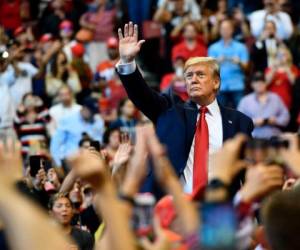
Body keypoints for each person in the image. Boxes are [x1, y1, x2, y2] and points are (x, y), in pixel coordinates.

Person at [116, 22, 253, 196]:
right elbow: (142, 95)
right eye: (189, 76)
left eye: (200, 75)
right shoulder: (170, 109)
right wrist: (127, 62)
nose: (193, 80)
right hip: (173, 208)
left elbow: (246, 173)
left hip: (218, 209)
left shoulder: (240, 122)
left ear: (216, 82)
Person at [208, 18, 249, 108]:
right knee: (220, 115)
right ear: (219, 30)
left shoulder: (241, 47)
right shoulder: (213, 48)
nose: (225, 31)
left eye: (227, 29)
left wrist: (239, 62)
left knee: (240, 114)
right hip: (220, 86)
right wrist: (217, 62)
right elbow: (208, 69)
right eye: (223, 29)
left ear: (232, 30)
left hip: (237, 85)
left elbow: (247, 68)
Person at [238, 72, 290, 139]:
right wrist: (253, 122)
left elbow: (286, 116)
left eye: (262, 81)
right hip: (253, 138)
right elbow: (239, 121)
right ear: (252, 84)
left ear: (266, 83)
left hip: (274, 136)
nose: (259, 84)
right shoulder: (245, 101)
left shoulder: (275, 98)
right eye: (256, 82)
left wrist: (276, 120)